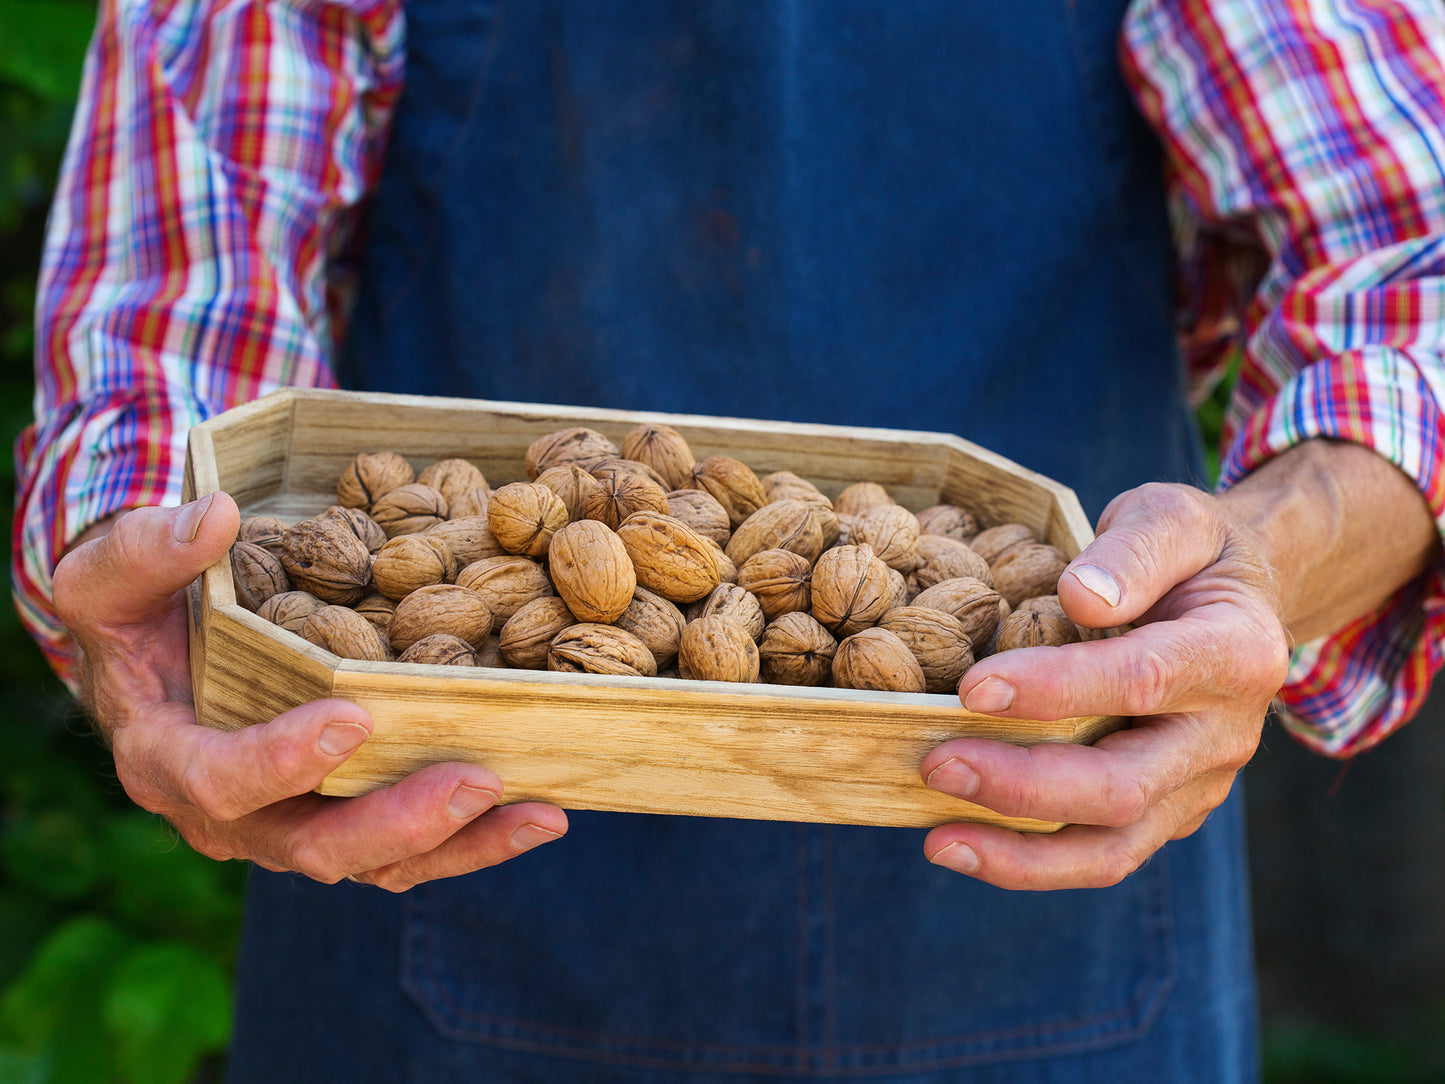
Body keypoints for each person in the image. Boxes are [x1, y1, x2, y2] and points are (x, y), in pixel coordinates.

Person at [14, 0, 1444, 1080]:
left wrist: (1256, 558)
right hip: (421, 856)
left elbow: (1408, 265)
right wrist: (154, 584)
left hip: (1039, 863)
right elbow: (180, 310)